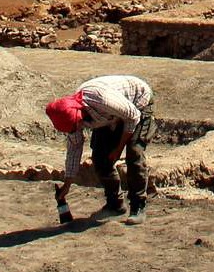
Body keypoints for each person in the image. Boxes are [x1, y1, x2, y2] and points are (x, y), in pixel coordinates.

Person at [47, 74, 154, 225]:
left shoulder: (99, 99)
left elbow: (133, 117)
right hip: (111, 115)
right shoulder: (73, 118)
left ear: (78, 116)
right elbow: (74, 148)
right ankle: (115, 205)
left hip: (138, 103)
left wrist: (118, 149)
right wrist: (67, 184)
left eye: (75, 126)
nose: (76, 129)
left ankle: (138, 207)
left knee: (134, 153)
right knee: (100, 157)